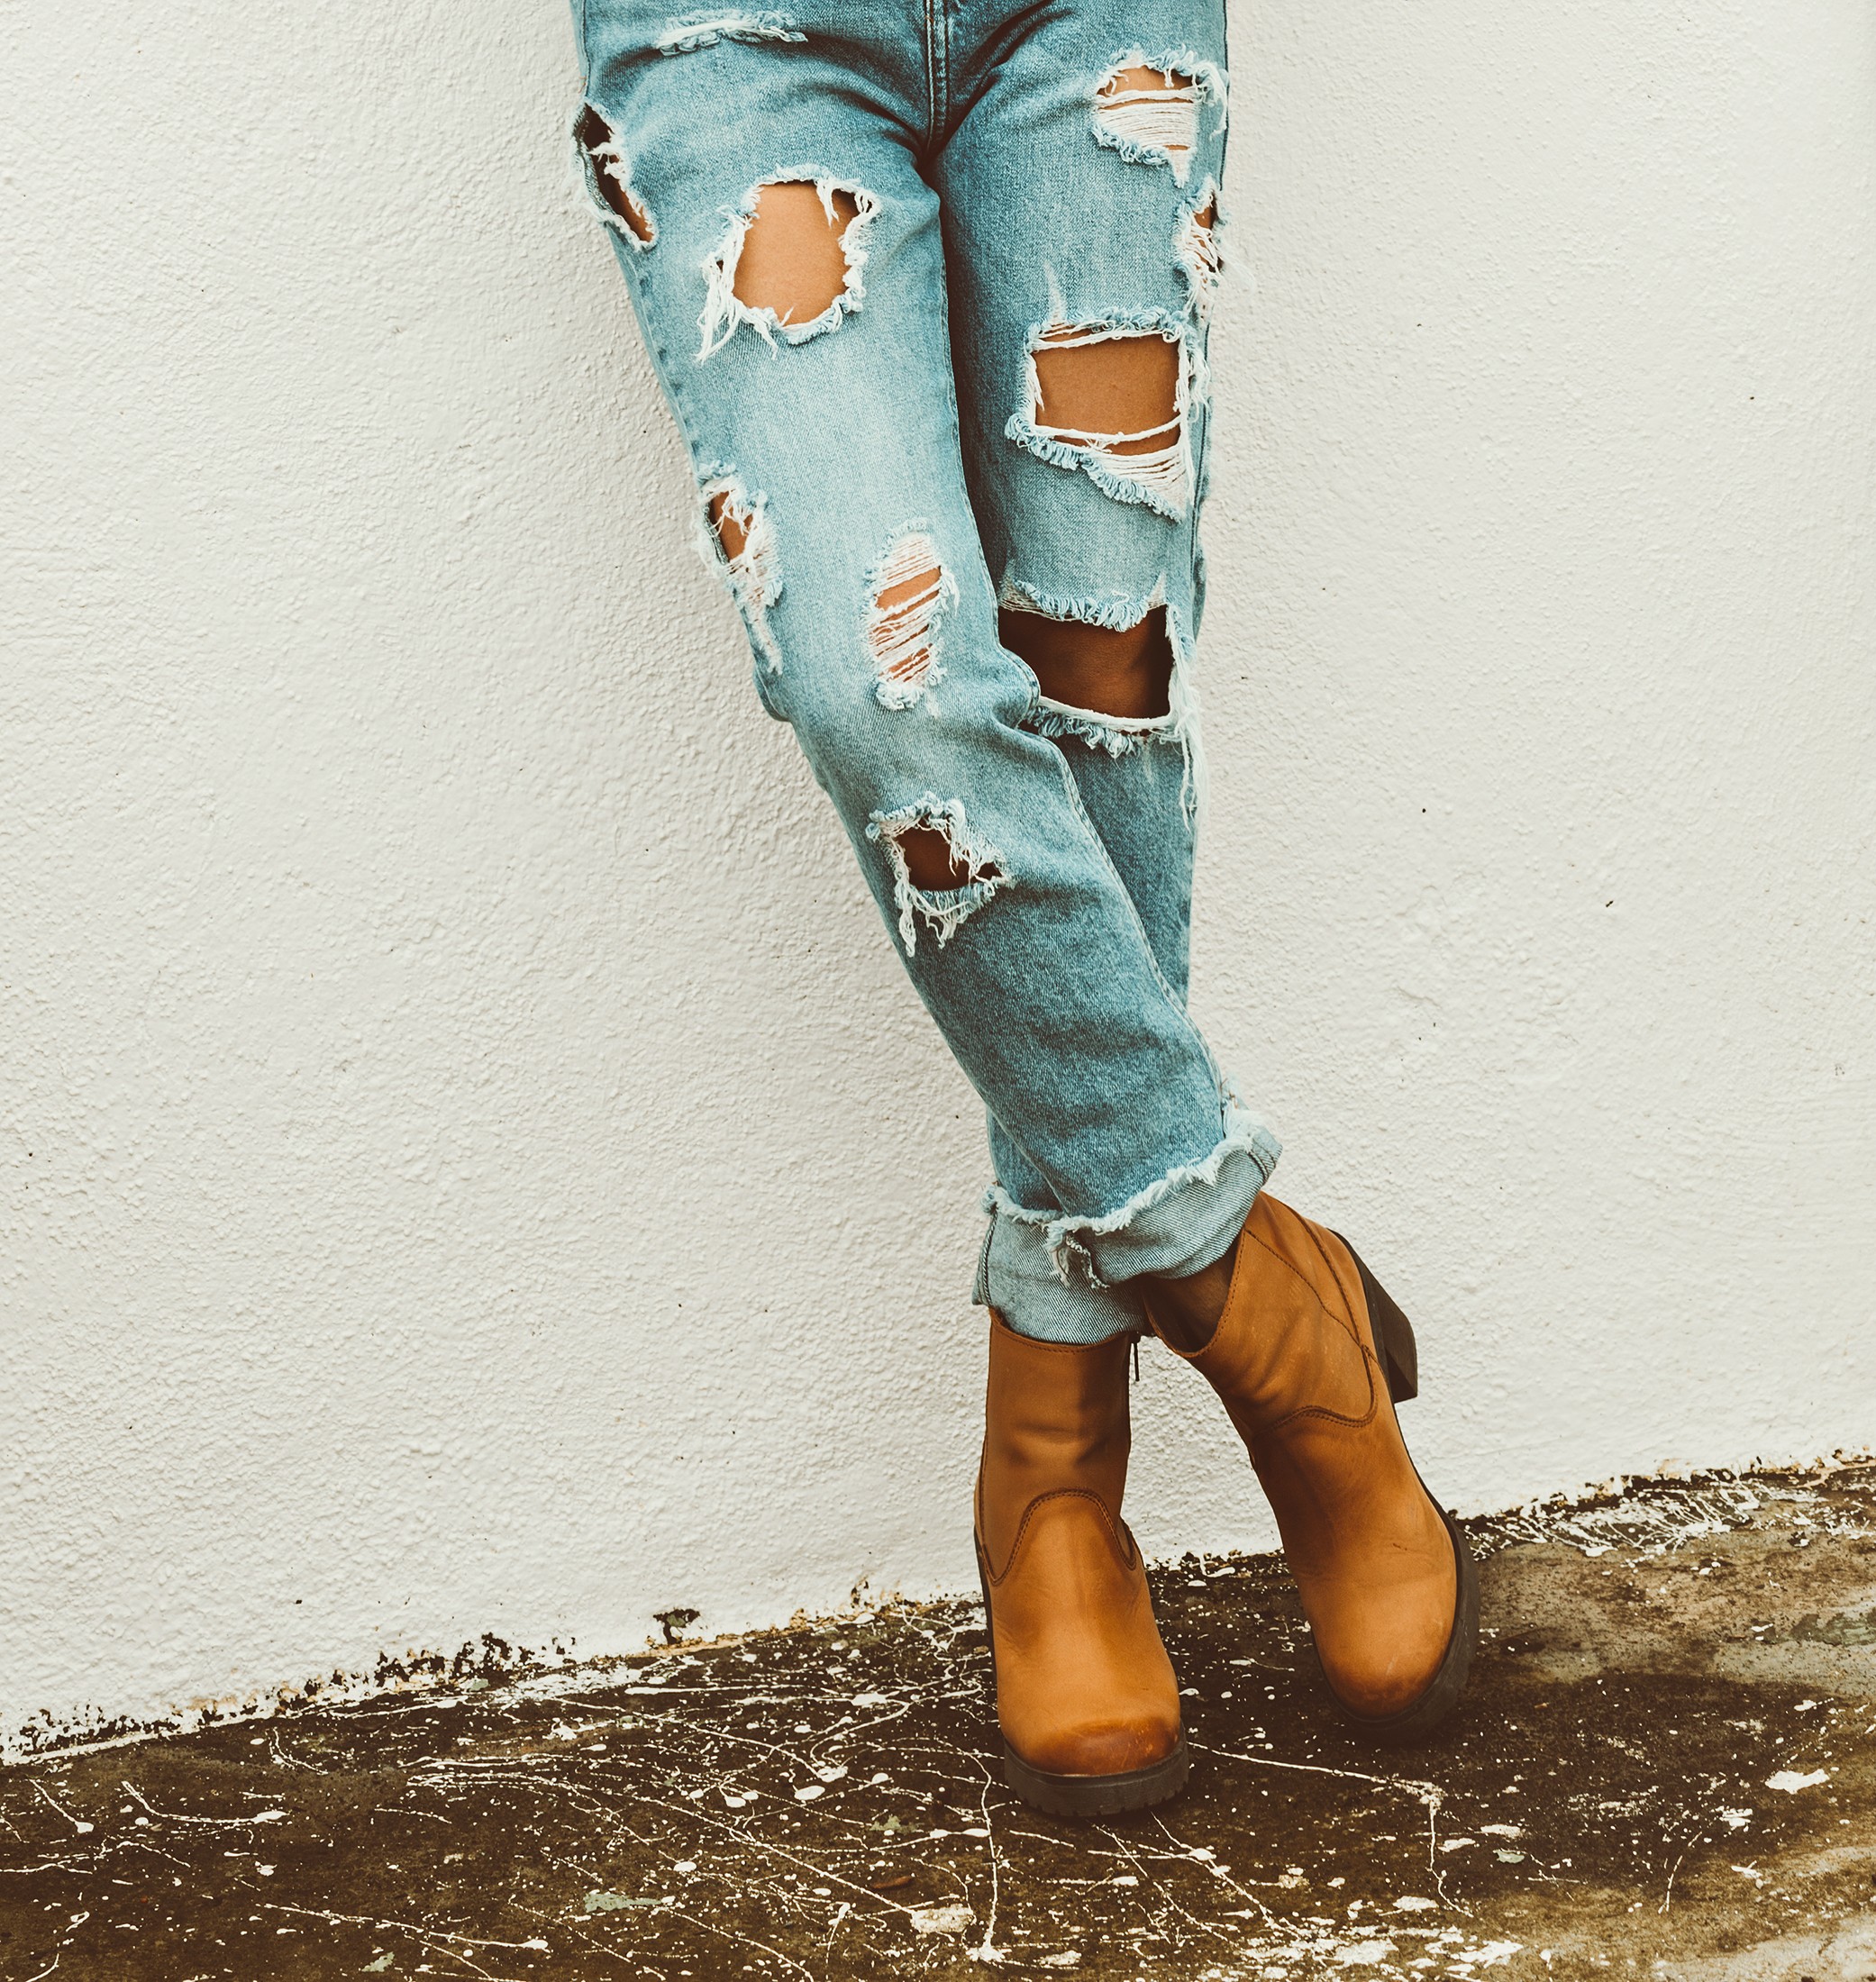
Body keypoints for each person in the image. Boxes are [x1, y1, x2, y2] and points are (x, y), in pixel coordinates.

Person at [567, 0, 1476, 1817]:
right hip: (732, 36)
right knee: (880, 683)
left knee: (1101, 679)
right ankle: (1254, 1294)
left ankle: (1052, 1463)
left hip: (1094, 26)